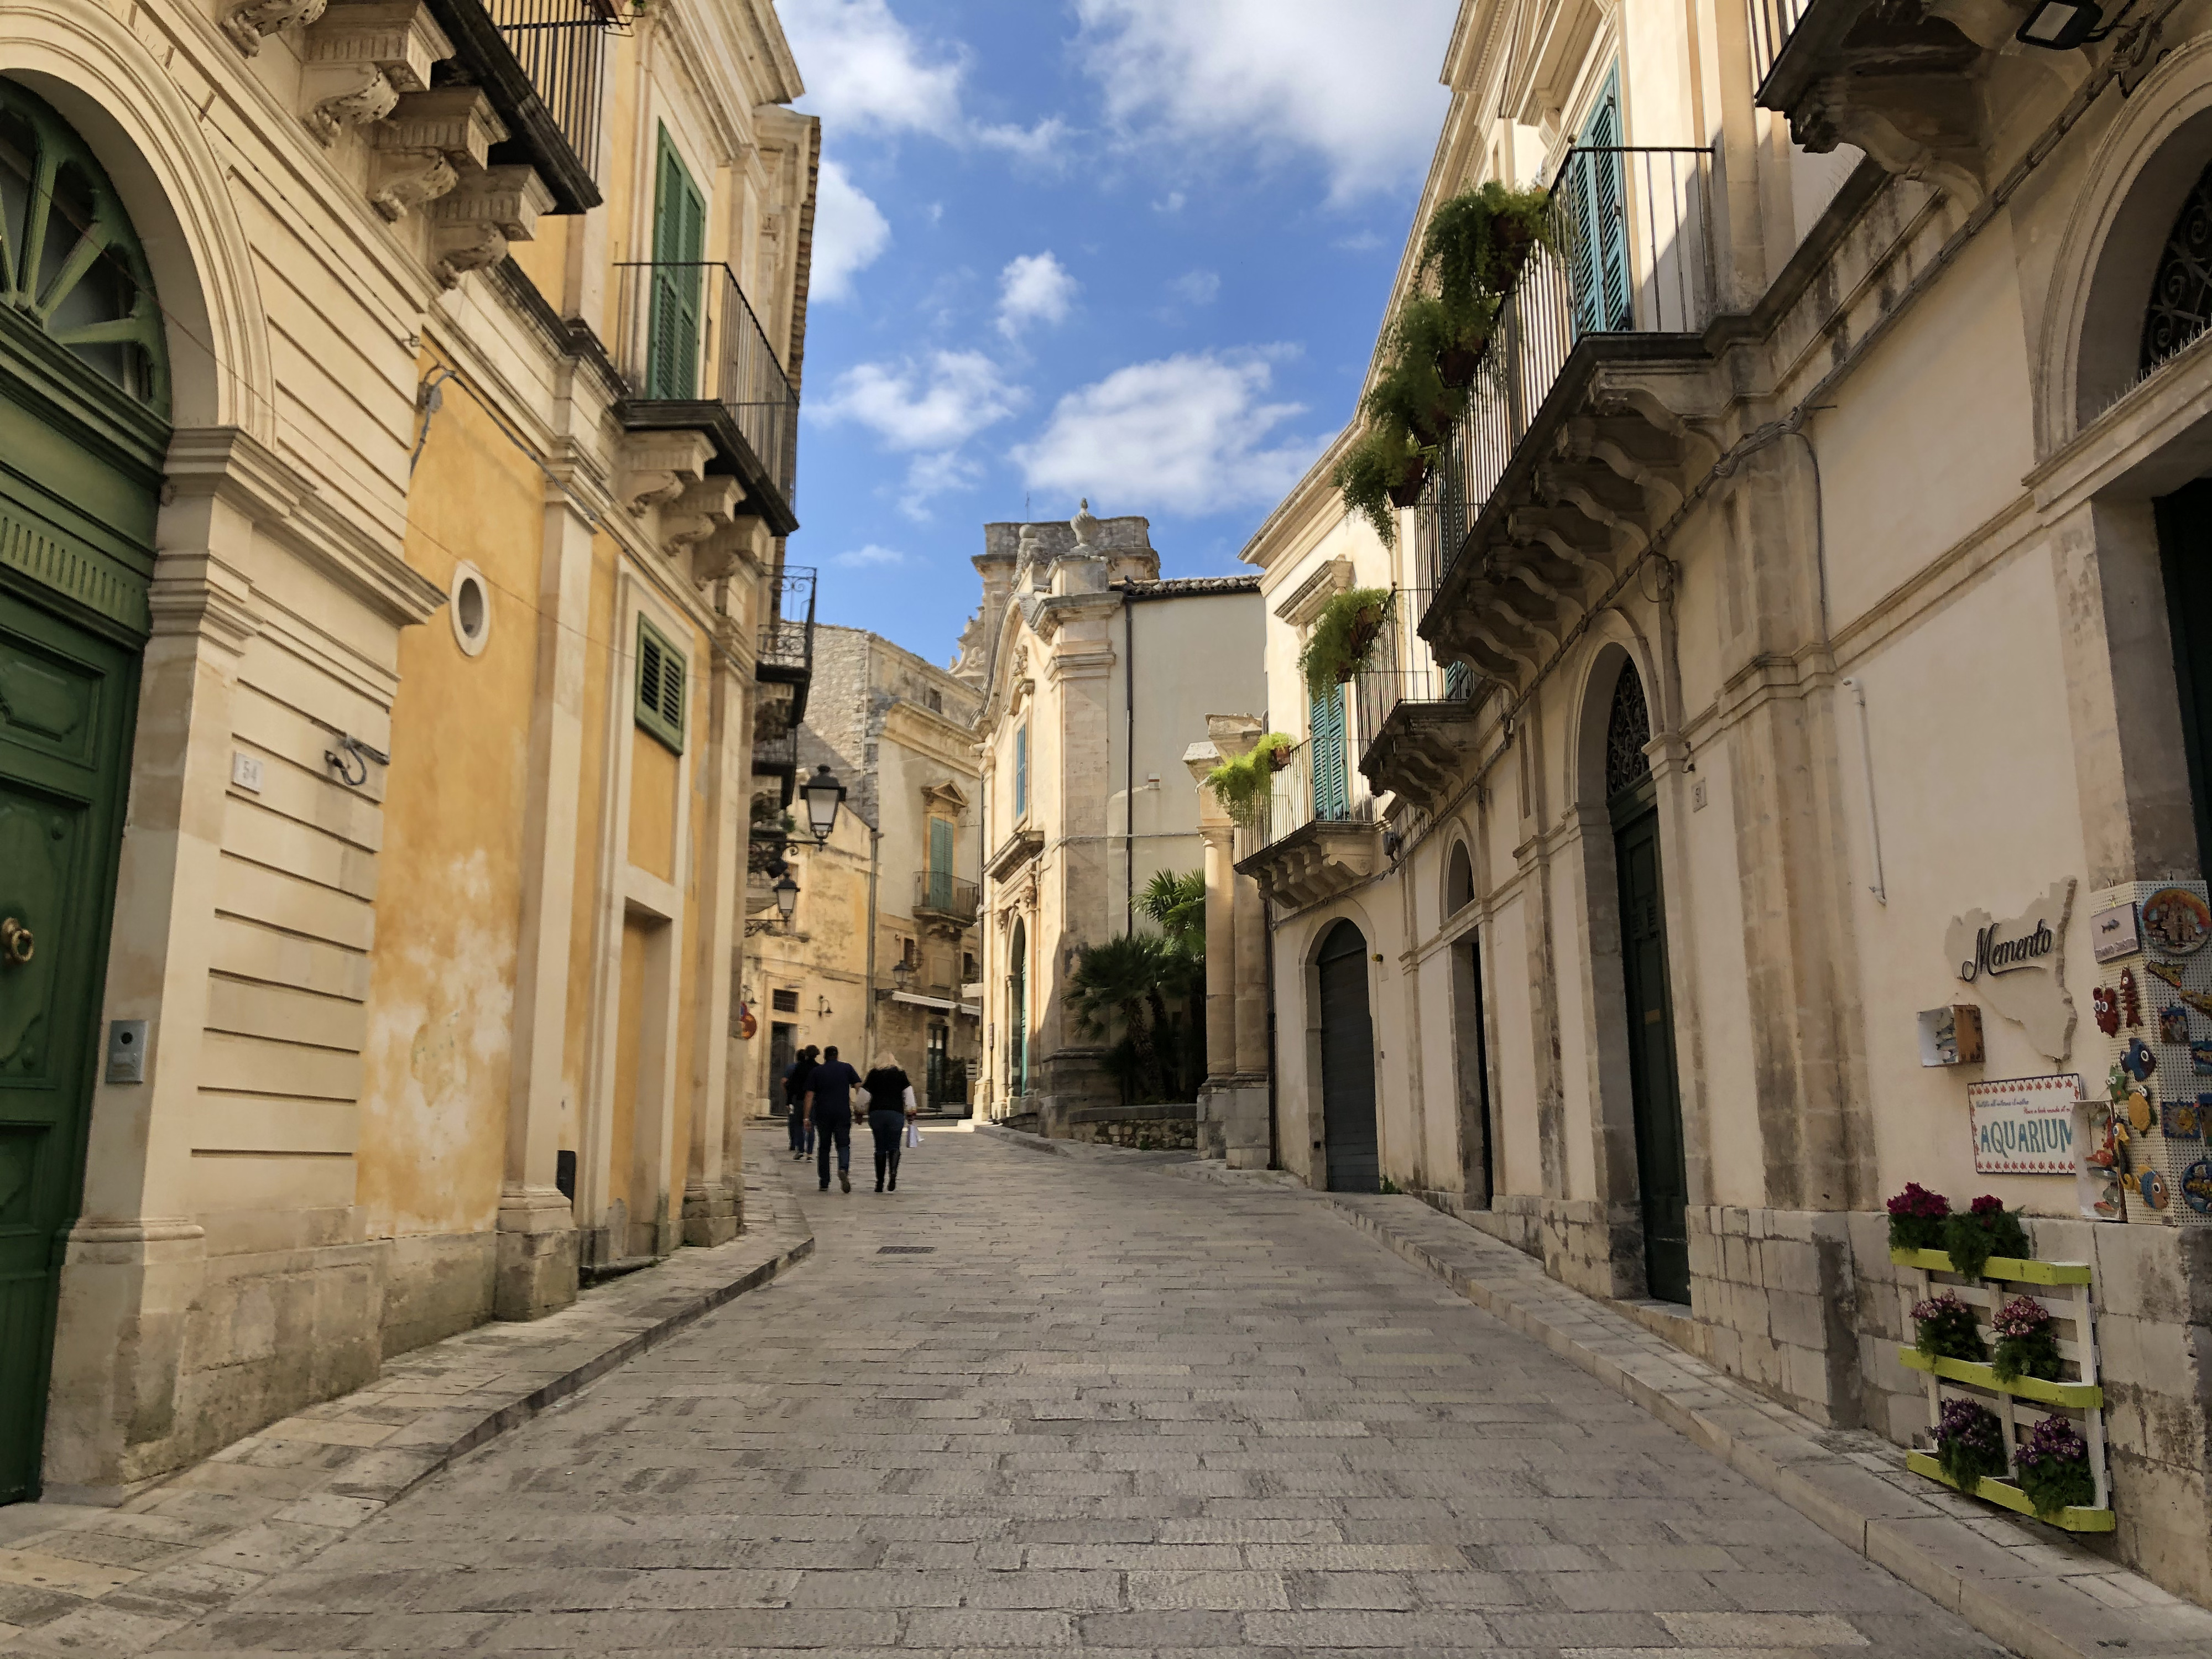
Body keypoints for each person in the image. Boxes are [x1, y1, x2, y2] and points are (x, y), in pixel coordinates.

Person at [803, 1044, 863, 1193]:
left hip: (823, 1114)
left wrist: (806, 1118)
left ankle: (824, 1182)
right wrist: (859, 1108)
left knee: (824, 1147)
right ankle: (843, 1168)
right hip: (842, 1112)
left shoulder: (817, 1071)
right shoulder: (847, 1068)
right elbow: (859, 1086)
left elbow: (809, 1095)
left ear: (824, 1056)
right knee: (843, 1145)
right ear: (837, 1055)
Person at [861, 1059, 919, 1192]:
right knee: (894, 1145)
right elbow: (908, 1094)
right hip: (896, 1114)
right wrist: (911, 1113)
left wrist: (859, 1111)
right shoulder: (900, 1074)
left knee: (880, 1147)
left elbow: (864, 1094)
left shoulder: (874, 1074)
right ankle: (893, 1173)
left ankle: (879, 1182)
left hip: (877, 1113)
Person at [782, 1046, 818, 1160]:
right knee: (811, 1126)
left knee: (798, 1125)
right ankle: (810, 1153)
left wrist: (788, 1101)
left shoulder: (799, 1068)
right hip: (814, 1101)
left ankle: (801, 1150)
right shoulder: (818, 1068)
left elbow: (791, 1086)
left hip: (800, 1100)